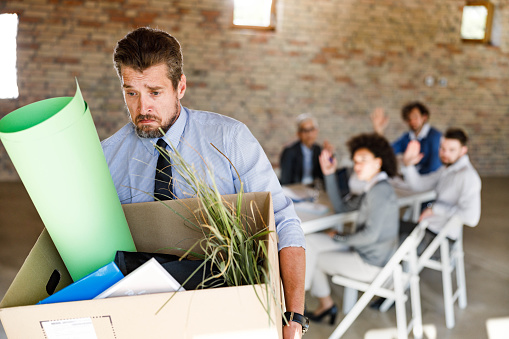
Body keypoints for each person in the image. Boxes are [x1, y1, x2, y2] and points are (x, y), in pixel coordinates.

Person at [101, 27, 307, 338]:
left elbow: (283, 221)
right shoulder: (106, 158)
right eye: (131, 93)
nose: (143, 108)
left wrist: (294, 316)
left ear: (180, 86)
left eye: (155, 93)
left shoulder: (230, 139)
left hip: (227, 312)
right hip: (142, 318)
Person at [304, 133, 399, 323]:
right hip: (359, 248)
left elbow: (370, 236)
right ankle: (314, 303)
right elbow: (341, 208)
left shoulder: (380, 191)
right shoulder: (371, 187)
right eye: (355, 161)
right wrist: (330, 173)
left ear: (378, 162)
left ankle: (305, 304)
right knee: (307, 243)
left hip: (369, 262)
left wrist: (340, 238)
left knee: (311, 256)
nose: (357, 166)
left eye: (363, 160)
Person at [400, 127, 481, 244]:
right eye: (442, 148)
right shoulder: (446, 169)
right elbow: (420, 185)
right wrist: (408, 165)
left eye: (451, 150)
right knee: (389, 226)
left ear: (463, 150)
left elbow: (471, 218)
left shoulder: (468, 176)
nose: (445, 153)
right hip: (426, 228)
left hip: (438, 239)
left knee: (387, 235)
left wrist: (435, 209)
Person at [371, 101, 442, 175]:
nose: (412, 121)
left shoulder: (435, 137)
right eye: (409, 118)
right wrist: (379, 131)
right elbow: (388, 151)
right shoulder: (407, 137)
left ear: (424, 117)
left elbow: (434, 168)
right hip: (411, 179)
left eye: (415, 117)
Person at [279, 113, 324, 185]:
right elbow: (285, 180)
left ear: (316, 131)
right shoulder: (289, 151)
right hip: (295, 189)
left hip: (312, 188)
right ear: (299, 133)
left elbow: (322, 176)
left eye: (312, 129)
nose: (309, 134)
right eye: (305, 130)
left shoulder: (318, 150)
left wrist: (329, 155)